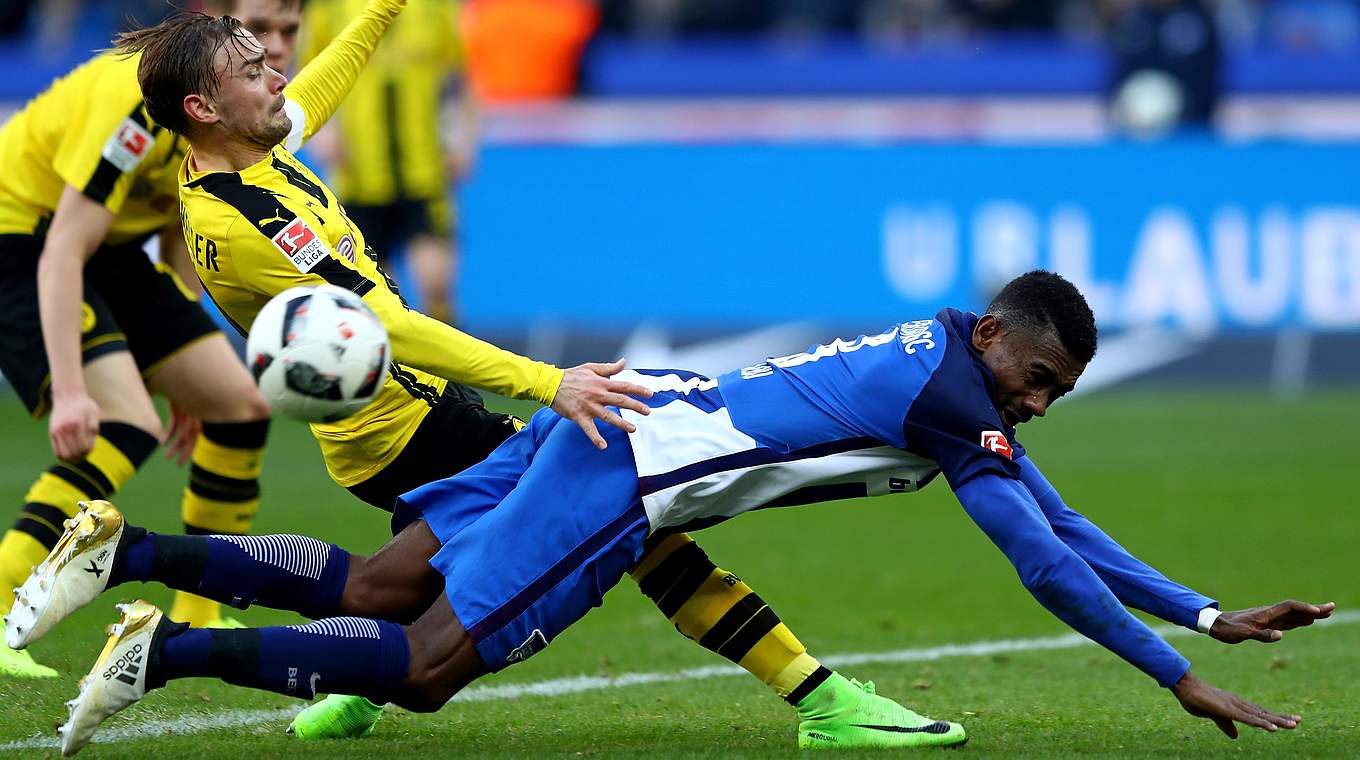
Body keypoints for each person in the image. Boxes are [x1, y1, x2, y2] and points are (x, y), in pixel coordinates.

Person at [15, 271, 1338, 756]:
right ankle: (167, 648)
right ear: (996, 337)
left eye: (1051, 396)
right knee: (420, 674)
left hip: (619, 413)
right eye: (1035, 382)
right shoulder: (954, 394)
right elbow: (1043, 570)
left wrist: (1208, 617)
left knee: (377, 591)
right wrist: (1174, 681)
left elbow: (1064, 522)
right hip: (626, 474)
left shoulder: (951, 368)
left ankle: (127, 548)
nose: (1036, 408)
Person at [96, 2, 932, 747]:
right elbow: (393, 329)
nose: (278, 74)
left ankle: (167, 582)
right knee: (640, 524)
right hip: (406, 423)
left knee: (385, 591)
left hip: (400, 420)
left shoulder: (243, 161)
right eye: (255, 69)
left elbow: (319, 84)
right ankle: (820, 697)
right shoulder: (247, 220)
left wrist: (381, 11)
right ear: (205, 108)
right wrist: (548, 383)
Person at [0, 0, 293, 681]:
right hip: (26, 238)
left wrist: (181, 364)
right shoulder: (134, 110)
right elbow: (64, 249)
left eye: (287, 33)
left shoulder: (231, 106)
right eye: (261, 38)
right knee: (123, 423)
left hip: (113, 243)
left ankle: (199, 609)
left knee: (238, 404)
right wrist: (72, 394)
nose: (278, 52)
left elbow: (183, 222)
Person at [300, 0, 472, 325]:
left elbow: (459, 78)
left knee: (436, 283)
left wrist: (463, 138)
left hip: (424, 172)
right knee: (382, 300)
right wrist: (324, 132)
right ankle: (399, 371)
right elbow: (310, 74)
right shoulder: (329, 9)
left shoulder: (437, 8)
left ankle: (450, 371)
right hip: (359, 177)